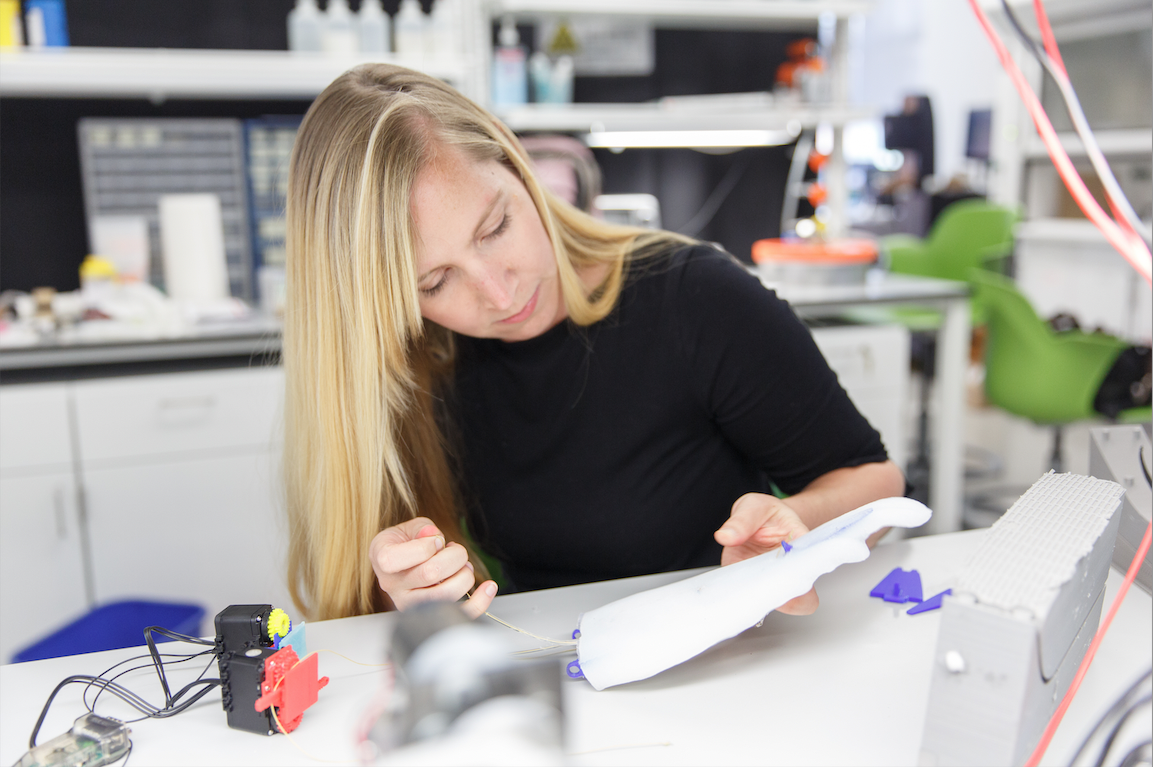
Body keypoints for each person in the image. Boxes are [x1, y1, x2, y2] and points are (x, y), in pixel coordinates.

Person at [282, 63, 906, 623]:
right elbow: (368, 626)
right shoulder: (413, 366)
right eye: (436, 282)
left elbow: (876, 480)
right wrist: (406, 593)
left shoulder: (693, 297)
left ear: (515, 165)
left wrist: (797, 526)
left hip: (726, 664)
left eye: (496, 226)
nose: (499, 295)